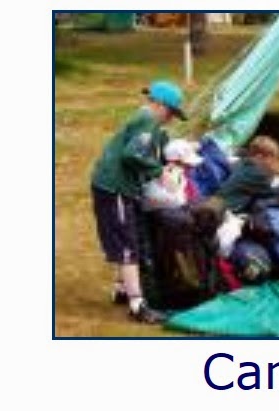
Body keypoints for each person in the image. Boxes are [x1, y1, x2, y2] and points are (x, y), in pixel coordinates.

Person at [90, 80, 187, 323]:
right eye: (171, 113)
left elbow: (141, 151)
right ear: (161, 105)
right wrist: (160, 172)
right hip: (116, 187)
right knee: (127, 244)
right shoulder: (147, 120)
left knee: (128, 235)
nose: (171, 119)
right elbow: (132, 154)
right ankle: (137, 305)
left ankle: (122, 289)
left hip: (114, 185)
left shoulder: (145, 120)